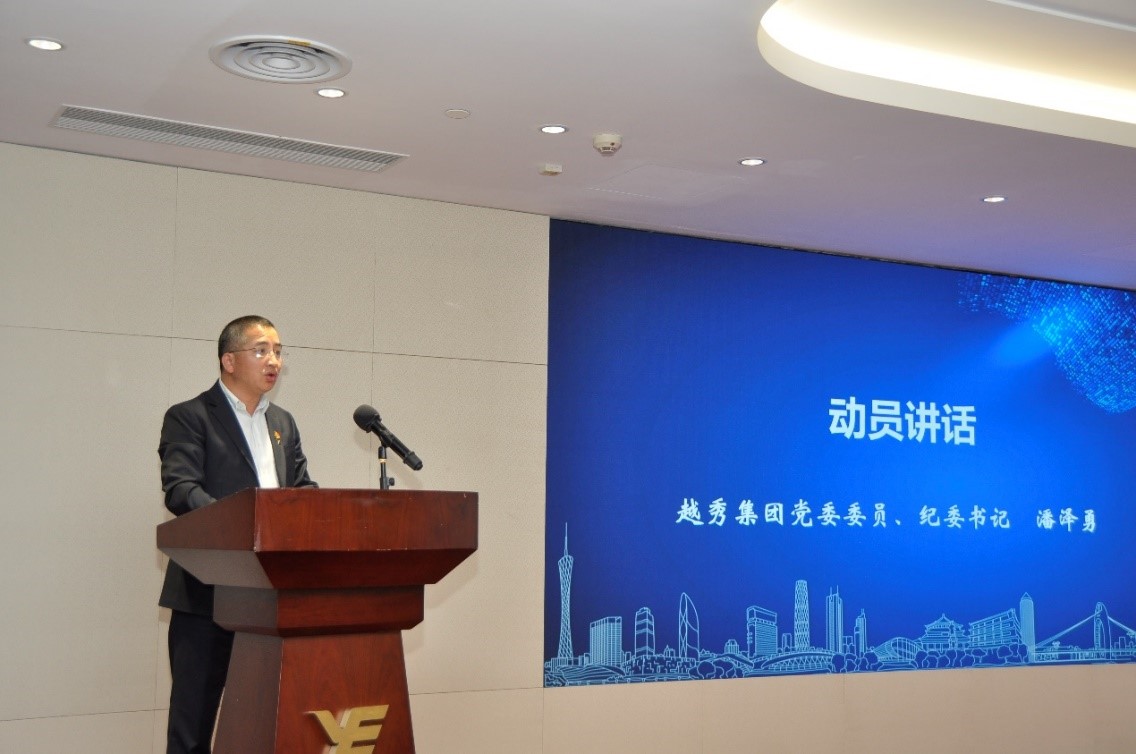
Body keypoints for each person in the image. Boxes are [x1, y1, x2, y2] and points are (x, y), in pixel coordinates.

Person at [158, 315, 317, 754]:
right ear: (229, 361)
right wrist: (242, 529)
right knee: (192, 732)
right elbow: (181, 489)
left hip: (271, 600)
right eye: (261, 350)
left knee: (262, 728)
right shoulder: (190, 417)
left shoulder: (282, 422)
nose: (274, 361)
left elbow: (300, 490)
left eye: (278, 352)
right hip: (207, 597)